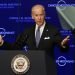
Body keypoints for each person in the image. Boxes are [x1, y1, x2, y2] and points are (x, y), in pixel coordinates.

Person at [0, 4, 70, 75]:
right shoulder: (27, 31)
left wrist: (63, 44)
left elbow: (62, 46)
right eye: (36, 15)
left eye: (41, 15)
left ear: (44, 14)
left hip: (48, 69)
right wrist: (2, 43)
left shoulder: (53, 30)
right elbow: (15, 47)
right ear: (32, 16)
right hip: (31, 70)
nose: (39, 18)